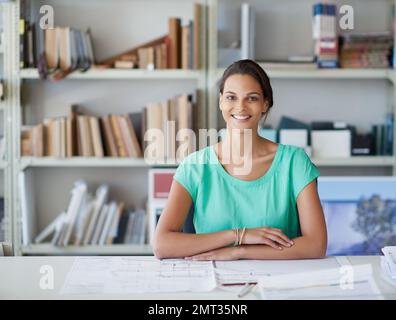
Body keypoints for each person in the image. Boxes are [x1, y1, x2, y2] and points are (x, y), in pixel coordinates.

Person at [152, 59, 327, 260]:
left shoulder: (294, 163)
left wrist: (238, 251)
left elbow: (316, 245)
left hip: (278, 283)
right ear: (220, 102)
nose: (240, 107)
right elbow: (161, 245)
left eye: (251, 98)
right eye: (231, 97)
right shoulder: (194, 166)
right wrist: (238, 235)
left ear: (265, 103)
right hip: (213, 284)